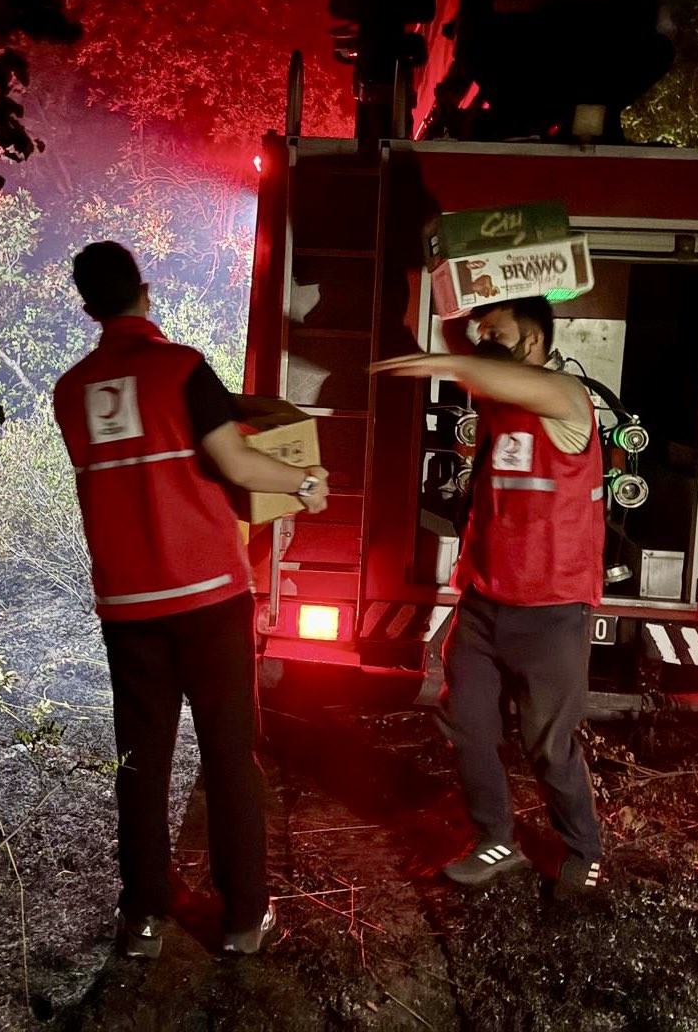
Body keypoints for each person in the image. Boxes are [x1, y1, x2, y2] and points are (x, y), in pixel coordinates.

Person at [52, 241, 329, 959]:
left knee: (139, 763)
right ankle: (243, 920)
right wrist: (302, 483)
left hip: (127, 608)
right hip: (207, 599)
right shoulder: (181, 368)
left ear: (88, 307)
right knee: (230, 756)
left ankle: (142, 917)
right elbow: (234, 460)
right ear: (144, 292)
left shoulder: (69, 390)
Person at [372, 296, 605, 898]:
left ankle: (583, 848)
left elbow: (482, 367)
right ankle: (495, 838)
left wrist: (433, 361)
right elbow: (472, 348)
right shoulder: (495, 398)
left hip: (553, 611)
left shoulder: (566, 399)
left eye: (495, 334)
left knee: (548, 746)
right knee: (467, 721)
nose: (480, 343)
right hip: (482, 604)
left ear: (532, 343)